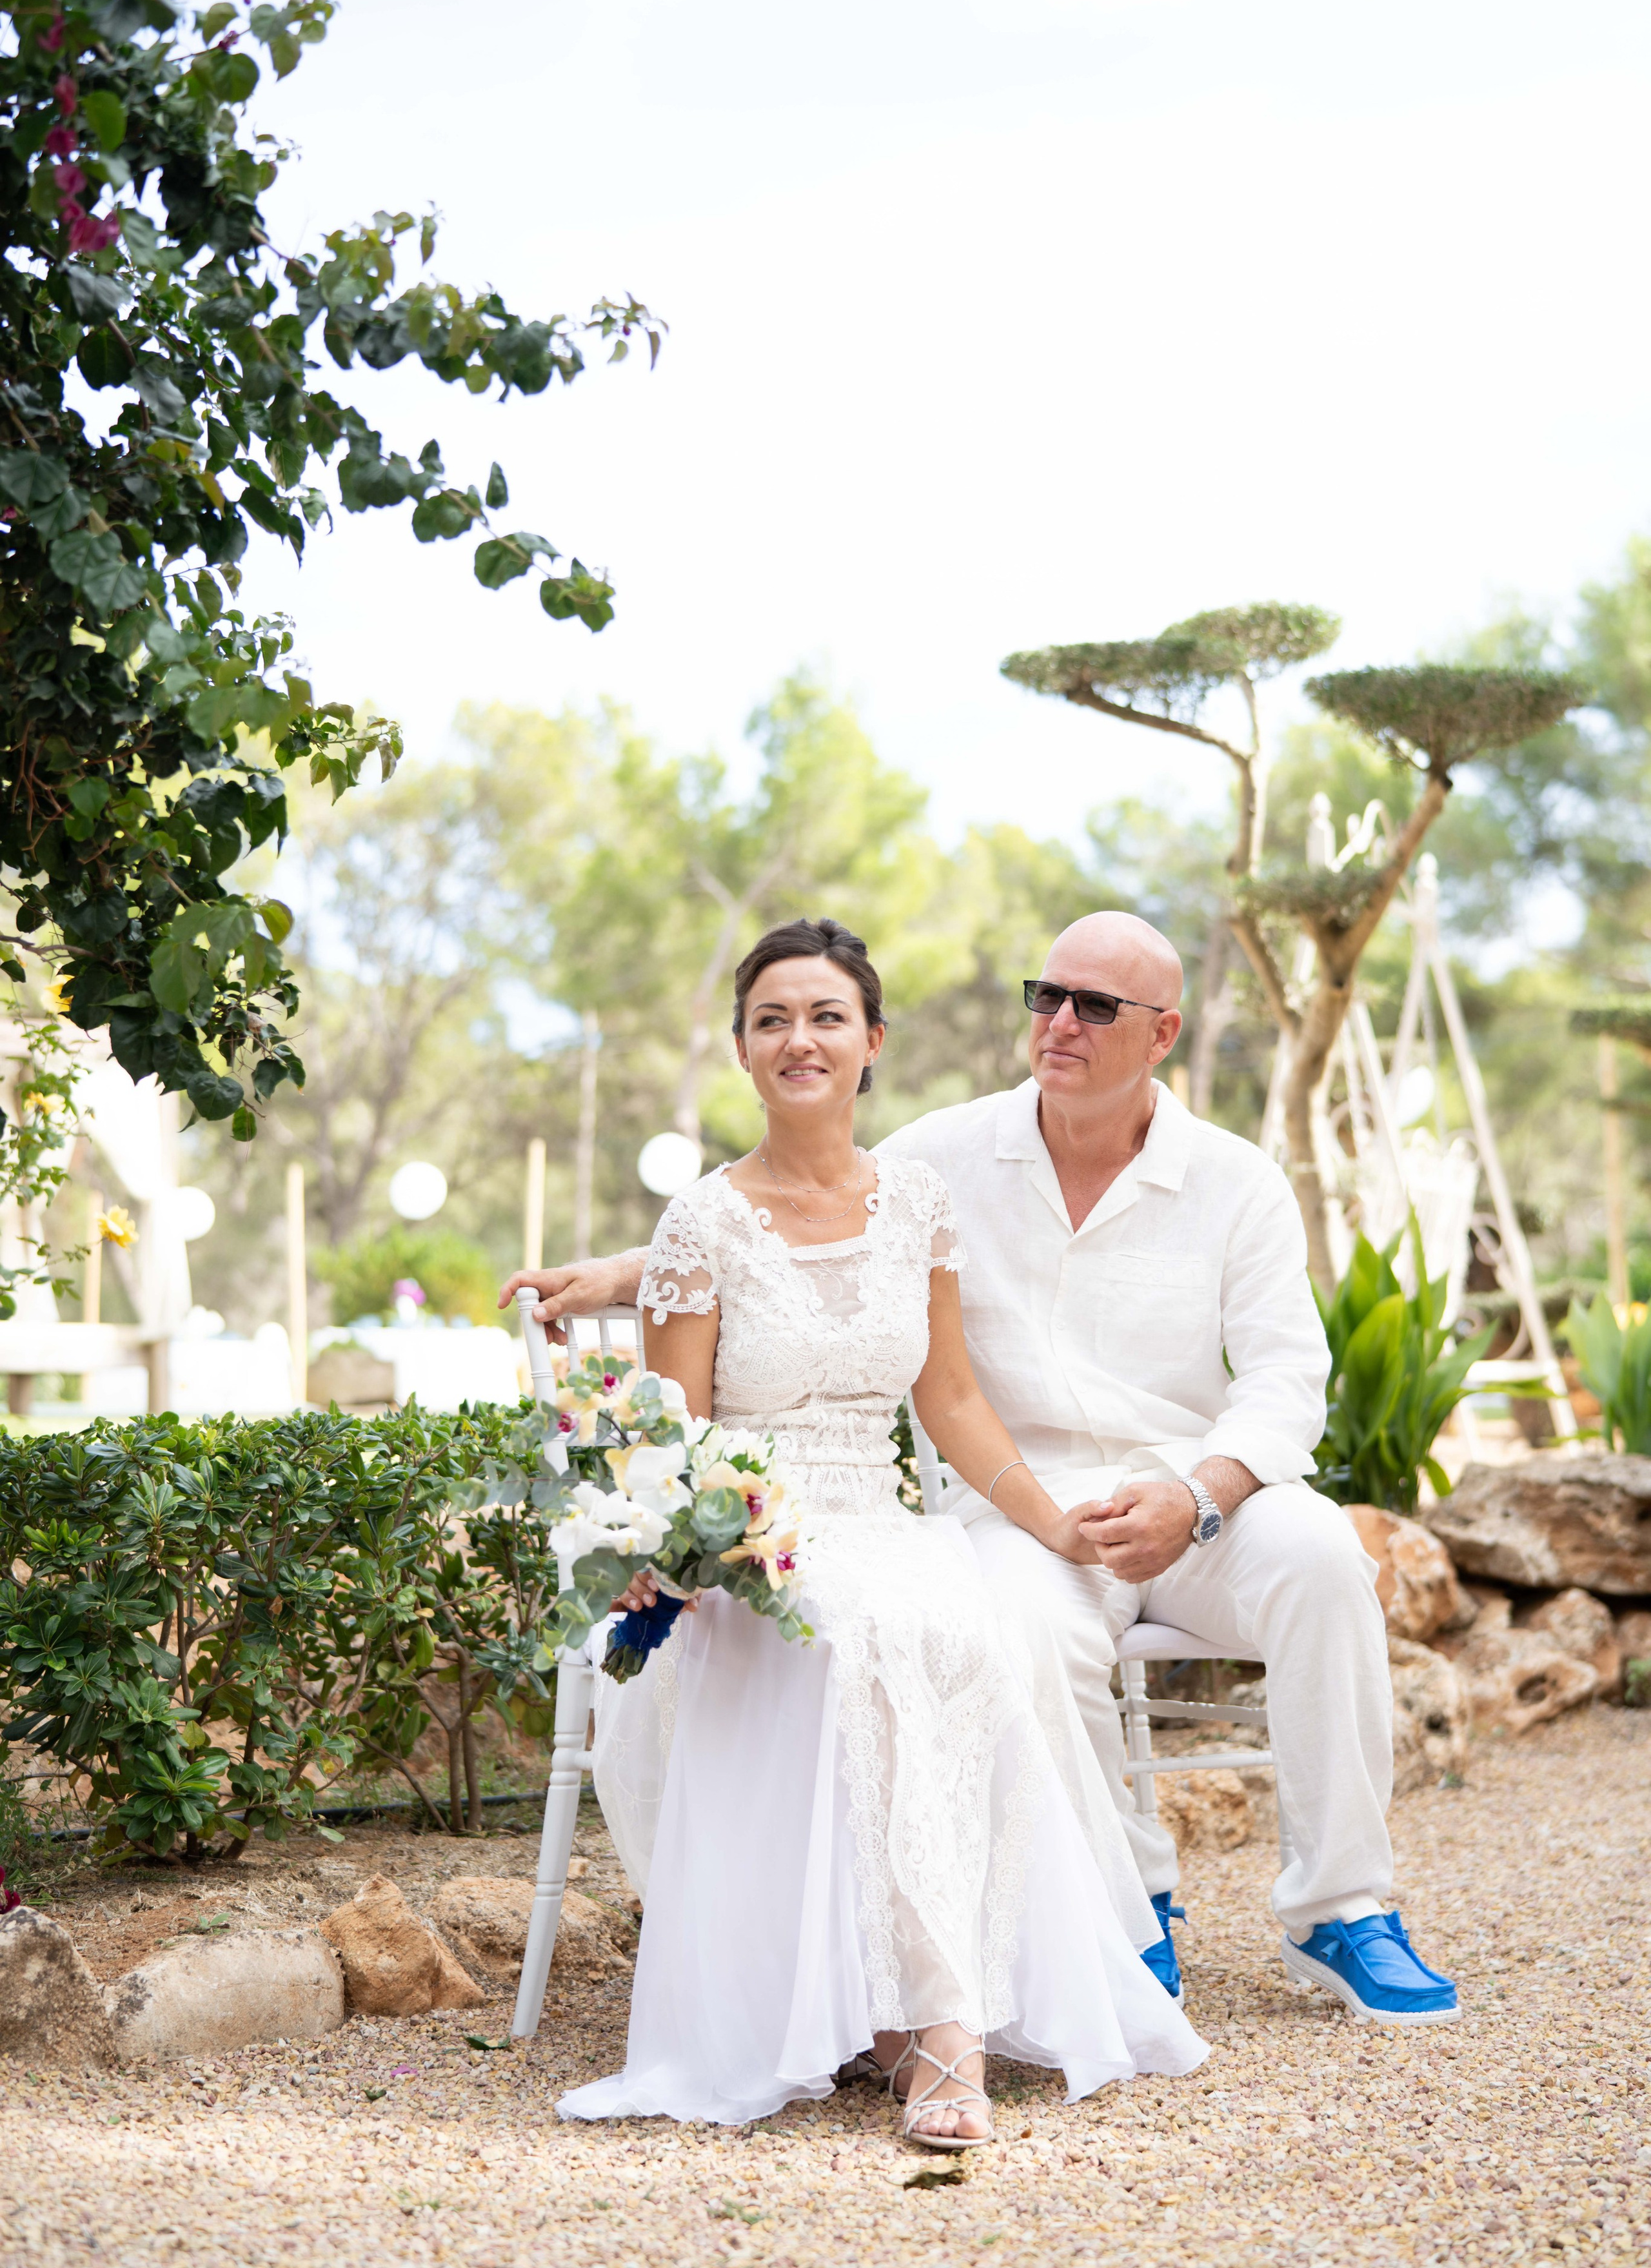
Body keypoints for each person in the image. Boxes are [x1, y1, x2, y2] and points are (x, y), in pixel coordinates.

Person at [506, 911, 1460, 2031]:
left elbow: (1290, 1378)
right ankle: (1124, 1911)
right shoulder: (942, 1156)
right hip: (1025, 1505)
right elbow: (794, 1220)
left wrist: (1201, 1495)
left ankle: (1342, 1910)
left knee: (1323, 1561)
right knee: (1017, 1623)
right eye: (1045, 995)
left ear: (1163, 1035)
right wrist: (625, 1274)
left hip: (1200, 1497)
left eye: (1095, 1006)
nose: (1059, 1022)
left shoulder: (1236, 1181)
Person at [542, 917, 1206, 2138]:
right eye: (773, 1019)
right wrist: (684, 1554)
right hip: (753, 1545)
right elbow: (673, 1433)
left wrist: (1052, 1523)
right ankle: (942, 2032)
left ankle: (909, 2011)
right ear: (743, 1050)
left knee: (964, 1624)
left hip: (887, 1521)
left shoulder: (919, 1204)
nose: (801, 1039)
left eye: (827, 1017)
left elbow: (950, 1399)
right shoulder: (703, 1222)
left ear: (873, 1045)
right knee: (874, 1637)